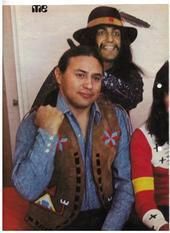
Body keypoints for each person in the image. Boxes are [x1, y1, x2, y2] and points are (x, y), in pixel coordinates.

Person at [12, 45, 134, 230]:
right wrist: (47, 132)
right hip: (54, 224)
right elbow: (28, 189)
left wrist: (110, 228)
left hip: (108, 218)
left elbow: (126, 183)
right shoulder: (33, 122)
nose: (89, 85)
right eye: (80, 75)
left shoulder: (116, 117)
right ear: (59, 76)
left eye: (96, 78)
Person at [32, 6, 143, 112]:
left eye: (116, 34)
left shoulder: (131, 74)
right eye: (101, 33)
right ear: (90, 38)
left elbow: (132, 98)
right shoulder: (65, 70)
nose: (110, 39)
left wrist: (94, 71)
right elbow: (37, 111)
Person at [130, 61, 169, 231]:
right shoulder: (142, 137)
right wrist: (162, 226)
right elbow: (144, 198)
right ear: (161, 97)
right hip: (162, 215)